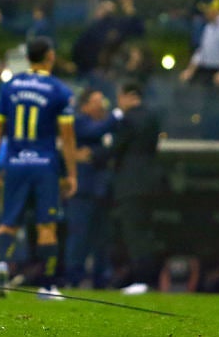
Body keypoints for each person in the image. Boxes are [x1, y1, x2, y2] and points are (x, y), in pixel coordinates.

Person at [0, 36, 77, 300]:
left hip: (14, 163)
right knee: (46, 226)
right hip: (44, 165)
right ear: (50, 56)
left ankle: (2, 265)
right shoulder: (59, 90)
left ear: (27, 58)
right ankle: (47, 287)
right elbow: (68, 137)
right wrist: (71, 173)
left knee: (7, 223)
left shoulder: (9, 86)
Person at [107, 81, 163, 295]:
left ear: (129, 96)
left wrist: (92, 156)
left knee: (134, 234)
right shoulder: (152, 117)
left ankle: (142, 279)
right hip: (151, 181)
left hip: (131, 183)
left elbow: (116, 148)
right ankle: (150, 279)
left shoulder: (128, 119)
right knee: (146, 232)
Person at [63, 88, 116, 289]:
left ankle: (101, 278)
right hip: (82, 190)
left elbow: (110, 150)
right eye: (97, 101)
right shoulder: (79, 121)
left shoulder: (105, 126)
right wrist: (117, 116)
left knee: (101, 237)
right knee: (79, 235)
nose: (101, 105)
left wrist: (93, 153)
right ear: (84, 105)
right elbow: (92, 132)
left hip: (102, 190)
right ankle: (73, 277)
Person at [179, 0, 219, 139]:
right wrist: (190, 69)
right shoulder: (209, 27)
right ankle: (208, 135)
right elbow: (202, 50)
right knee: (207, 105)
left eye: (208, 10)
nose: (205, 14)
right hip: (208, 70)